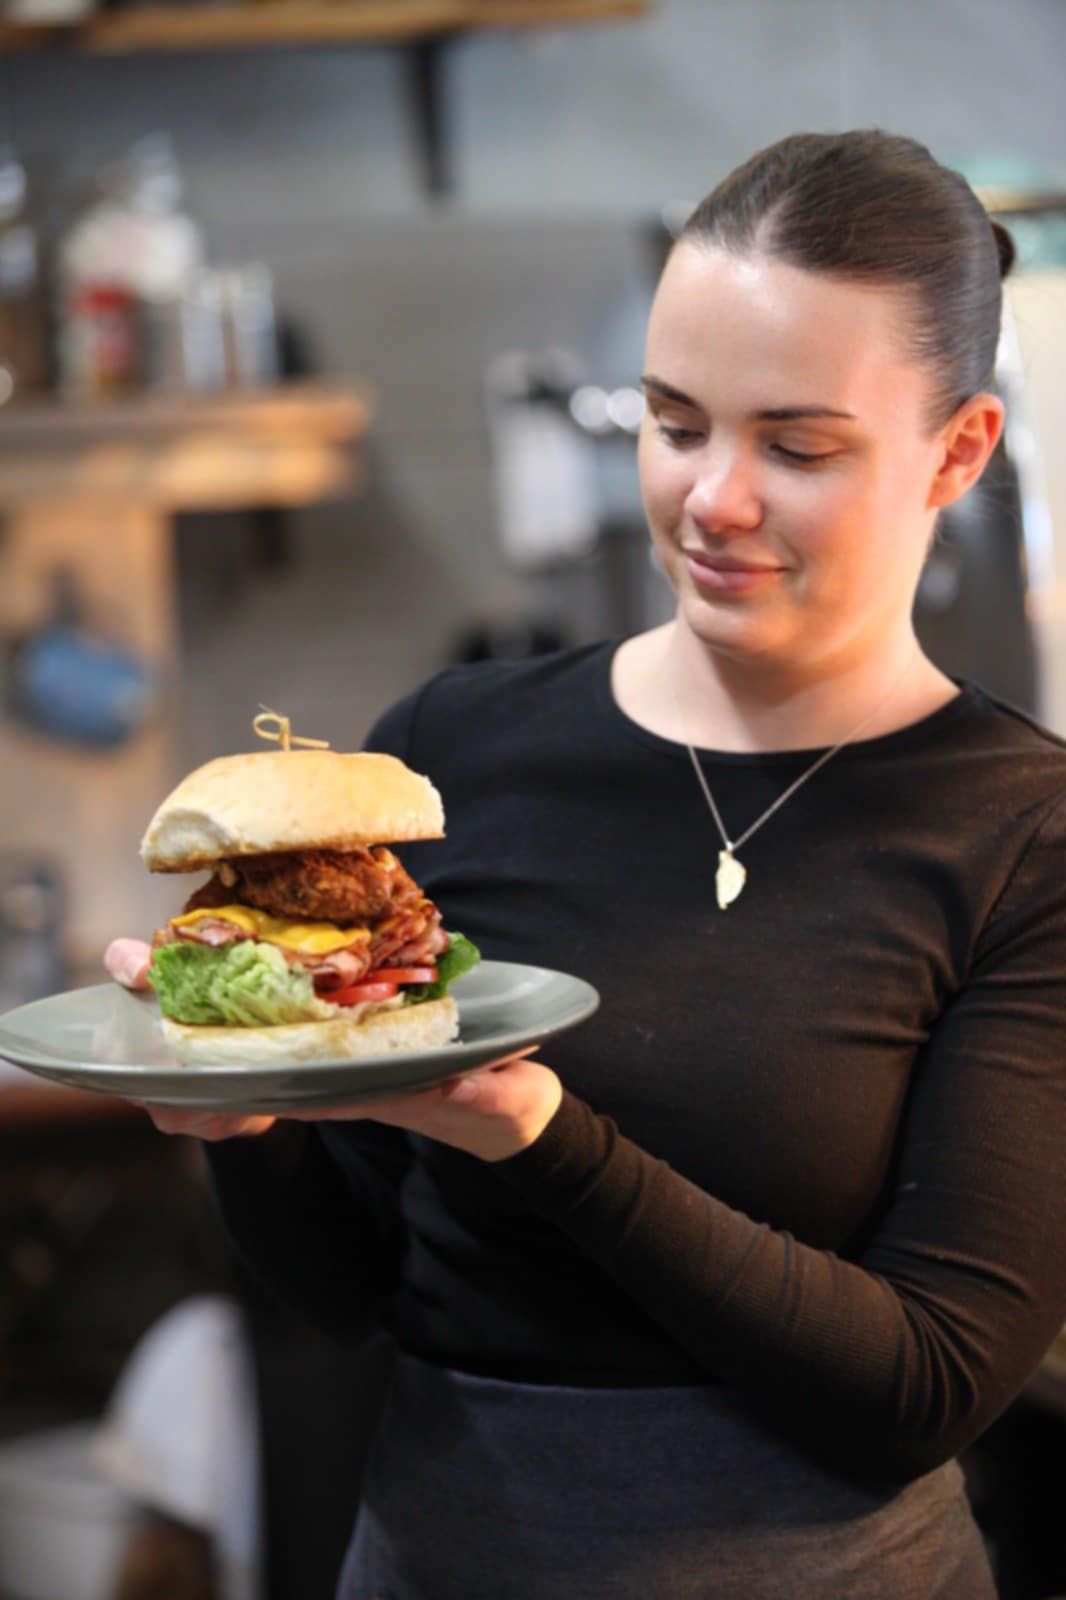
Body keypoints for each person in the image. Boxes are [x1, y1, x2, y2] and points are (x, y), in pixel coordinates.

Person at [106, 128, 1066, 1600]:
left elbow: (923, 1388)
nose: (712, 500)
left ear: (957, 452)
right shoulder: (450, 757)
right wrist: (241, 1124)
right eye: (674, 423)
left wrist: (543, 1141)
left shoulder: (1021, 834)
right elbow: (354, 1283)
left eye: (795, 447)